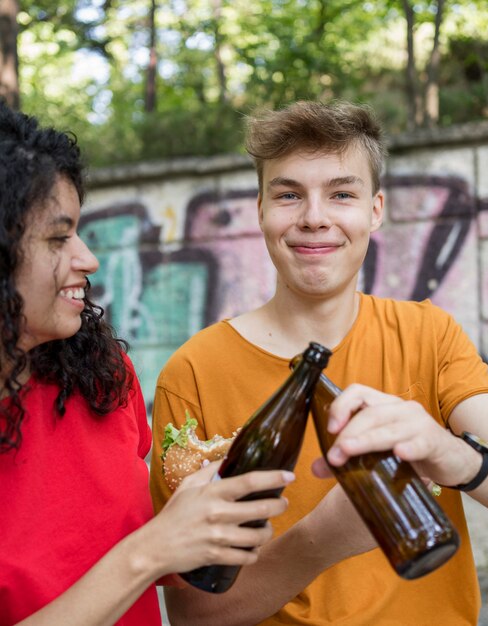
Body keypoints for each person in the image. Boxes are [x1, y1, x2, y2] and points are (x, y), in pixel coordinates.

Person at [149, 100, 488, 625]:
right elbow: (194, 614)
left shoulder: (428, 334)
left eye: (341, 194)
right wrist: (320, 541)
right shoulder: (193, 372)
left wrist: (452, 454)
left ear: (375, 210)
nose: (314, 217)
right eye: (288, 195)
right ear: (259, 209)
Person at [0, 101, 295, 626]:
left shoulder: (102, 376)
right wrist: (151, 551)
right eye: (57, 237)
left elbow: (156, 544)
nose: (88, 258)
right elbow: (147, 552)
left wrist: (208, 507)